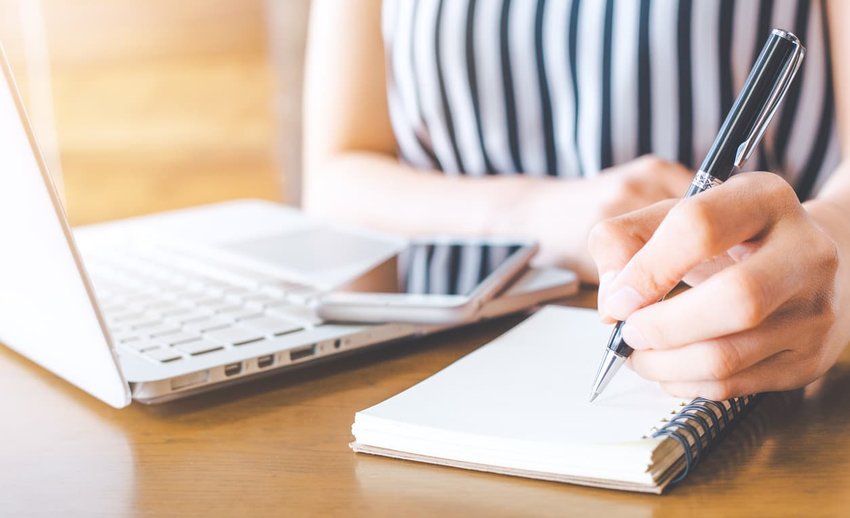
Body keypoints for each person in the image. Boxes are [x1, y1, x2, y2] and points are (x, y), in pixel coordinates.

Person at [302, 0, 850, 401]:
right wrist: (546, 215)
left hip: (759, 357)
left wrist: (834, 251)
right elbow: (334, 179)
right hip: (429, 351)